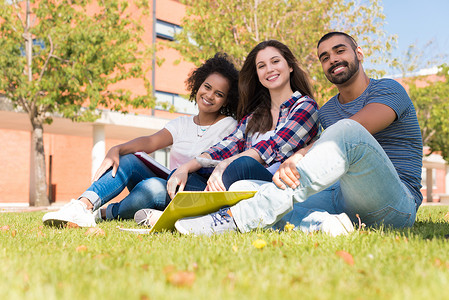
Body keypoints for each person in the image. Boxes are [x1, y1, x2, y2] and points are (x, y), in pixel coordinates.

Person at [173, 32, 423, 237]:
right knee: (244, 186)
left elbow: (357, 129)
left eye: (340, 51)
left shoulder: (389, 89)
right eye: (325, 57)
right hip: (343, 198)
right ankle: (324, 225)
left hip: (395, 202)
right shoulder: (328, 111)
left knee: (348, 130)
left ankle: (236, 218)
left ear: (358, 54)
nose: (333, 59)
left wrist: (301, 153)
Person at [42, 53, 240, 227]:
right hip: (168, 183)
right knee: (129, 160)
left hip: (196, 190)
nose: (210, 95)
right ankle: (81, 206)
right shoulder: (181, 124)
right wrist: (117, 149)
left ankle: (104, 213)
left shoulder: (229, 125)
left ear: (226, 100)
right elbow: (150, 142)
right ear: (198, 84)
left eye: (219, 94)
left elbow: (219, 160)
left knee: (151, 187)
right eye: (207, 87)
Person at [135, 40, 319, 227]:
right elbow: (228, 145)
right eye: (261, 66)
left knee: (243, 163)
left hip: (275, 188)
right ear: (257, 74)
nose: (269, 69)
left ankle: (181, 218)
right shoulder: (255, 115)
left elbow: (271, 147)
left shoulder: (305, 106)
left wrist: (224, 165)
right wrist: (186, 167)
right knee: (182, 177)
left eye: (275, 62)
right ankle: (204, 216)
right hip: (239, 191)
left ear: (289, 66)